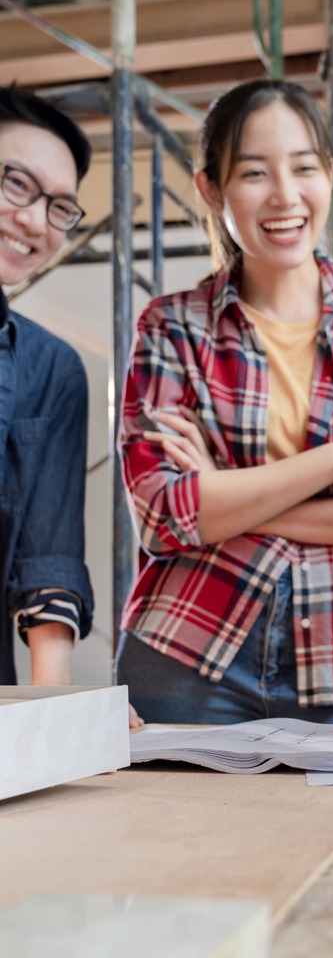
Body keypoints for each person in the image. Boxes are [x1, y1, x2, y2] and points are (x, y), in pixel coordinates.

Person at [115, 80, 333, 725]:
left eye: (304, 167)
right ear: (212, 190)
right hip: (189, 650)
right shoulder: (171, 327)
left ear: (330, 175)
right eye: (254, 173)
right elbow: (164, 516)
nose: (284, 195)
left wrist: (226, 493)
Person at [0, 85, 97, 692]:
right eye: (16, 184)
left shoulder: (50, 369)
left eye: (60, 207)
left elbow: (48, 559)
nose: (35, 220)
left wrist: (55, 710)